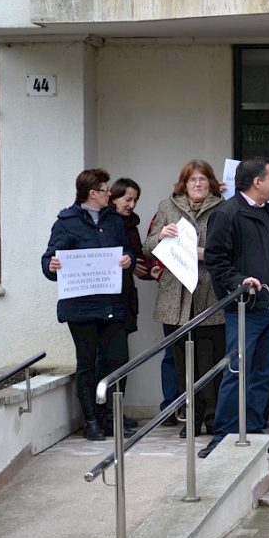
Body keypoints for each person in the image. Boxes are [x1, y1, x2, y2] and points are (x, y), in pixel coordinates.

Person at [200, 156, 269, 458]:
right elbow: (216, 259)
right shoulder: (227, 214)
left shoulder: (268, 211)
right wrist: (240, 281)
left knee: (263, 372)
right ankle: (223, 436)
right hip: (246, 308)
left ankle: (253, 431)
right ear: (257, 182)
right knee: (237, 370)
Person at [41, 168, 134, 440]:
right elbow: (48, 260)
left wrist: (127, 259)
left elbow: (127, 249)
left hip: (112, 304)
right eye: (105, 190)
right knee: (87, 363)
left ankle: (111, 418)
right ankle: (91, 420)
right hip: (81, 308)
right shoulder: (66, 222)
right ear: (92, 193)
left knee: (118, 360)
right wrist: (52, 266)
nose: (109, 194)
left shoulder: (114, 220)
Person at [144, 160, 225, 439]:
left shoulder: (223, 208)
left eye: (202, 179)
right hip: (175, 298)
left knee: (210, 361)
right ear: (184, 184)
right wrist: (160, 236)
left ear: (211, 183)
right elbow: (147, 247)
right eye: (192, 180)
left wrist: (205, 253)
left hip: (209, 294)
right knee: (181, 363)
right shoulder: (167, 206)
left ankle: (212, 416)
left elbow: (231, 249)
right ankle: (191, 418)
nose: (198, 184)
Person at [106, 177, 154, 431]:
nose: (132, 204)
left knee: (120, 360)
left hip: (125, 298)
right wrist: (132, 265)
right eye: (127, 199)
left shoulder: (131, 224)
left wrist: (147, 272)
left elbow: (136, 259)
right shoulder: (106, 223)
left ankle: (116, 412)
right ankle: (105, 415)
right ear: (113, 198)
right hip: (106, 299)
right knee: (106, 360)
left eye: (135, 200)